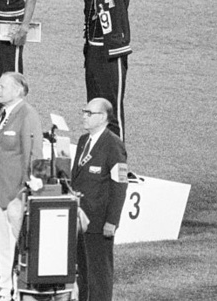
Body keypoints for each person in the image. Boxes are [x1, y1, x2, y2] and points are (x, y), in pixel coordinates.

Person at [77, 0, 134, 141]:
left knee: (112, 108)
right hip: (92, 54)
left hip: (112, 55)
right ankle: (98, 153)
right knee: (94, 106)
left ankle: (118, 160)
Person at [0, 72, 43, 301]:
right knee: (3, 245)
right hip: (0, 192)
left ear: (18, 90)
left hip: (17, 195)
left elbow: (34, 155)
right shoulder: (4, 114)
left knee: (19, 247)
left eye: (2, 86)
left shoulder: (27, 115)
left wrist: (26, 192)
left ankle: (19, 291)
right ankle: (5, 291)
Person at [71, 98, 128, 301]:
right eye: (84, 111)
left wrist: (112, 221)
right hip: (79, 220)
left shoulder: (113, 145)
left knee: (99, 275)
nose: (84, 116)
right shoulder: (83, 141)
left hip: (99, 221)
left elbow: (120, 185)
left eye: (89, 113)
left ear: (103, 117)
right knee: (82, 273)